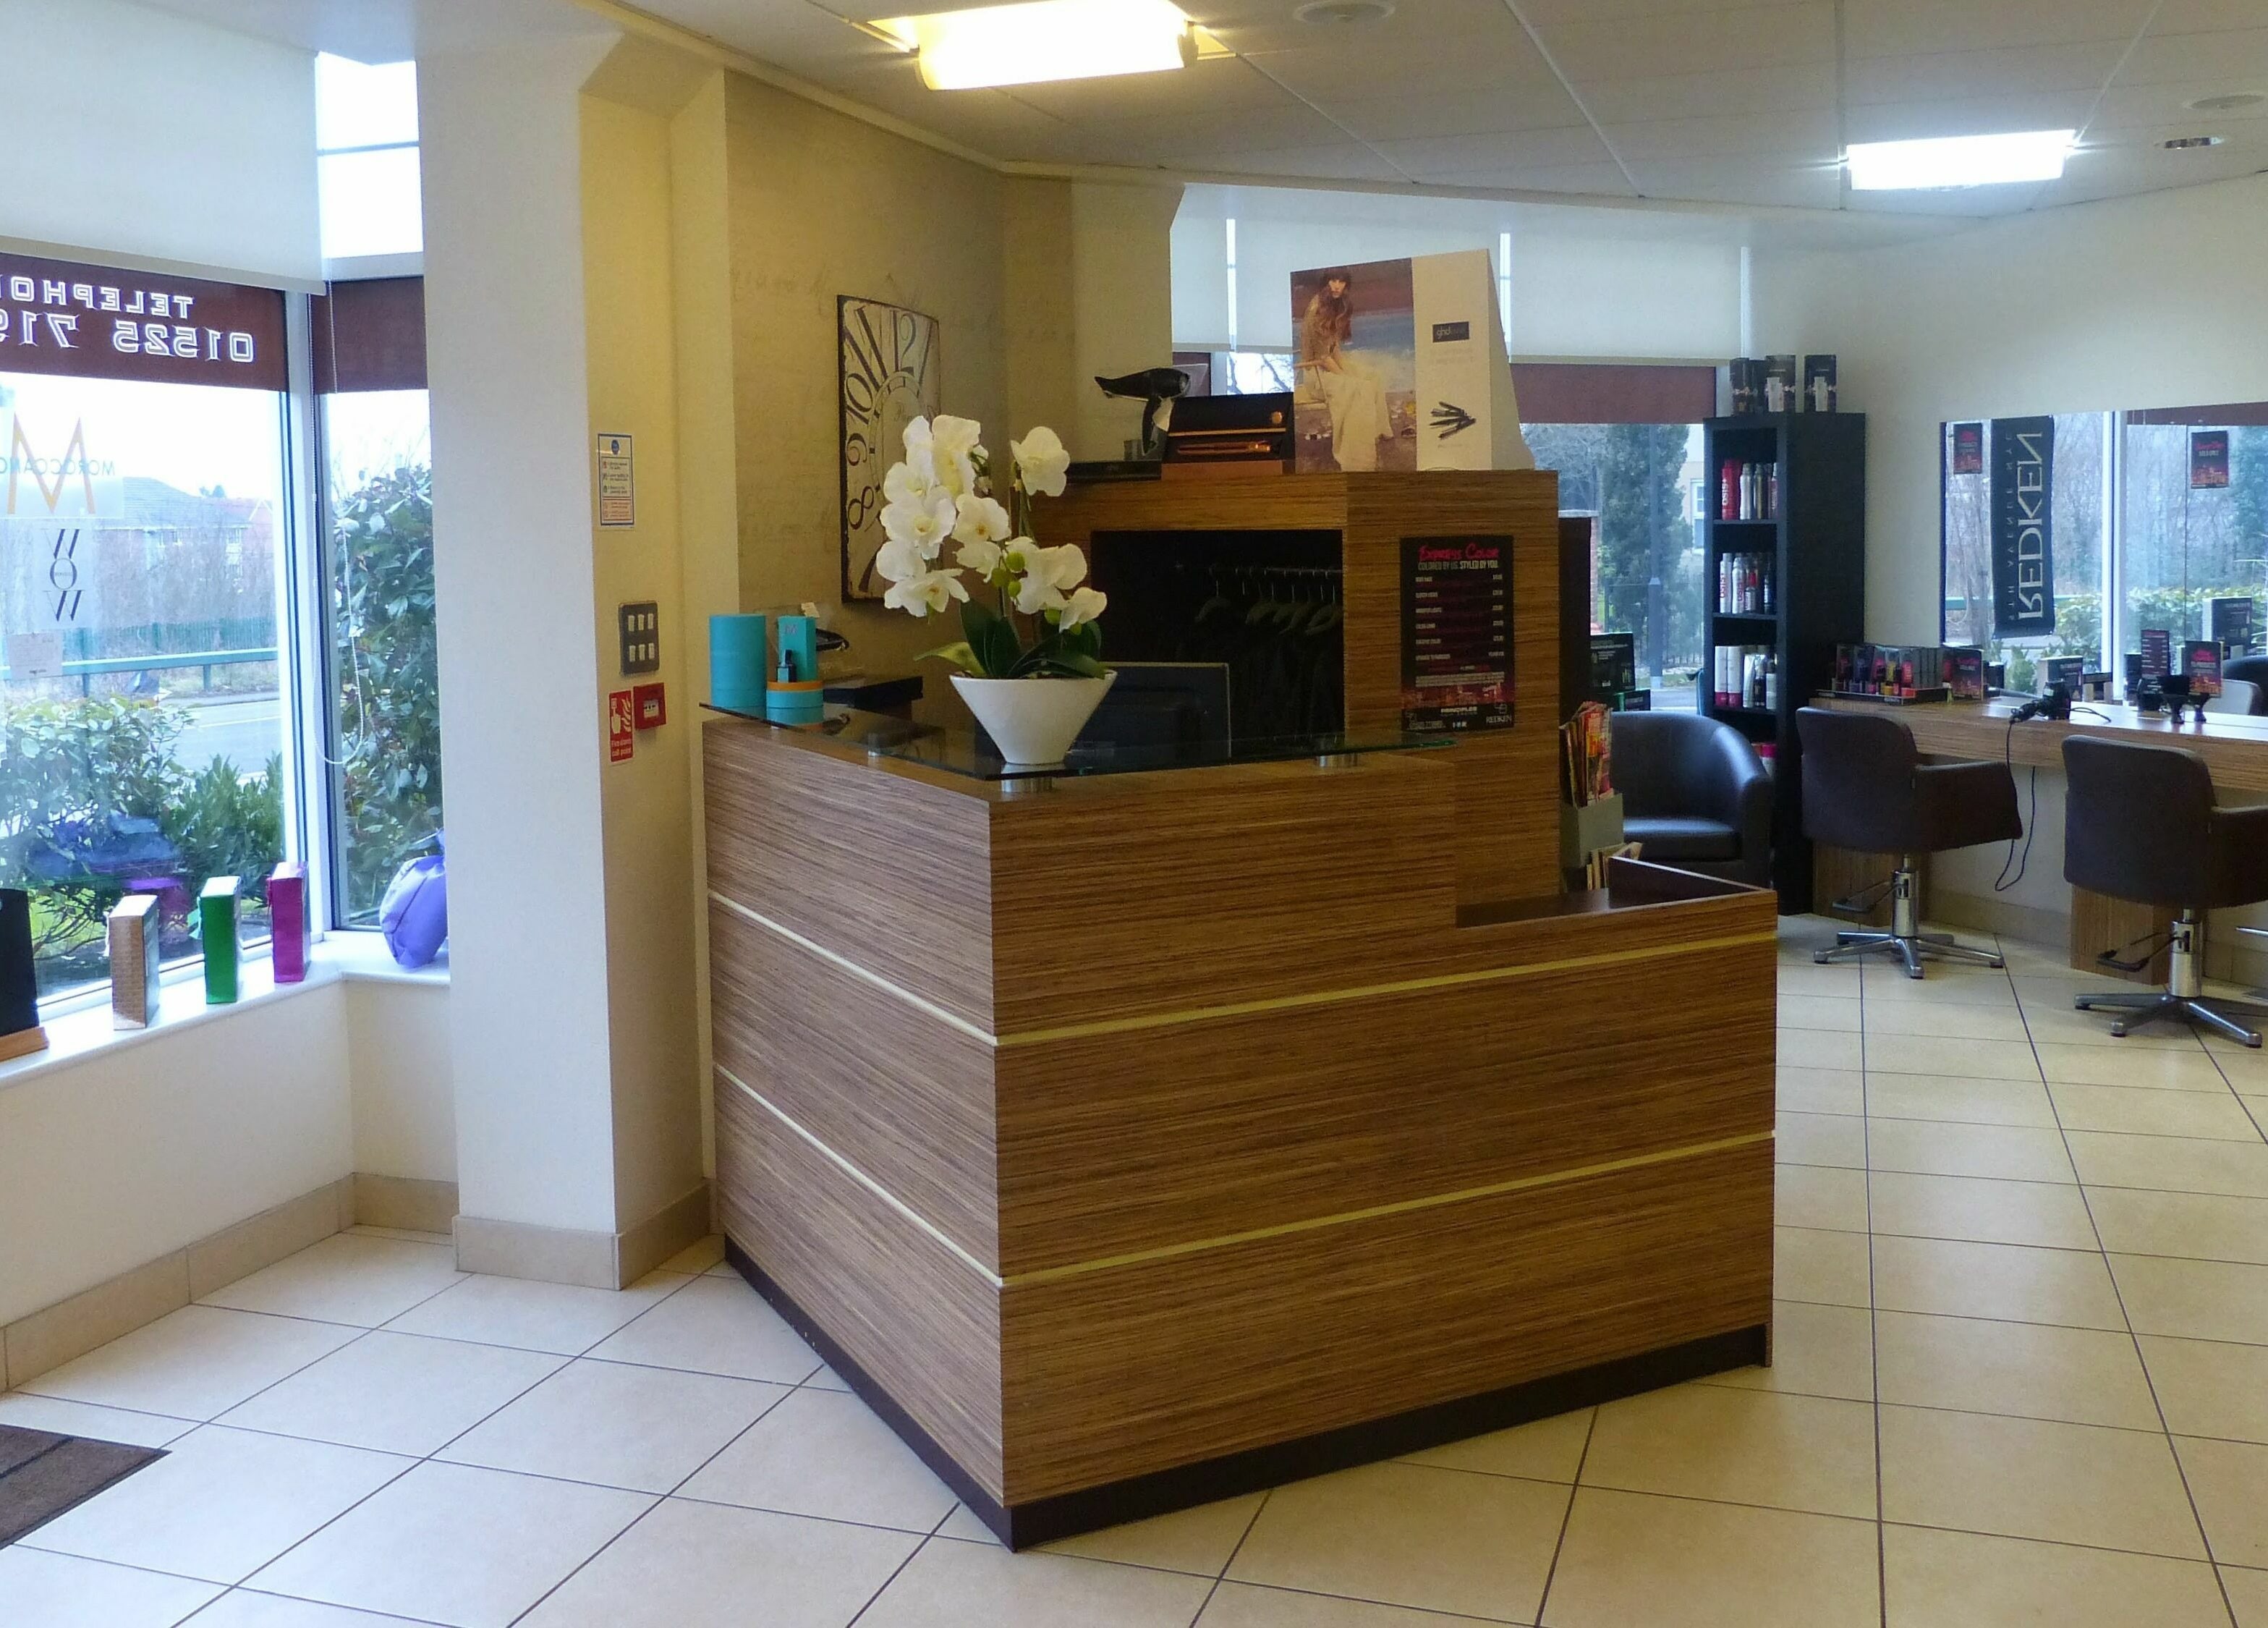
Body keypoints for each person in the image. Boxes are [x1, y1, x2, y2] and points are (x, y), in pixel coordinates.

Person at [1296, 269, 1390, 472]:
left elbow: (1334, 348)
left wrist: (1348, 371)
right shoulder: (1317, 309)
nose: (1337, 285)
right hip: (1316, 373)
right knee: (1357, 388)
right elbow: (1322, 357)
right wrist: (1346, 376)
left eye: (1341, 281)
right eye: (1333, 281)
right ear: (1326, 283)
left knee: (1372, 376)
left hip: (1329, 365)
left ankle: (1374, 431)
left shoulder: (1337, 304)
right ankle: (1356, 456)